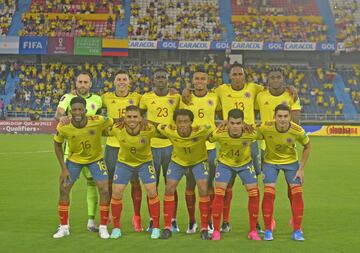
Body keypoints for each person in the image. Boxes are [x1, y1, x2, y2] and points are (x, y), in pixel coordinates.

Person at [53, 97, 113, 239]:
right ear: (70, 111)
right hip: (74, 160)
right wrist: (63, 168)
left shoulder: (98, 120)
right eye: (74, 110)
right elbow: (57, 144)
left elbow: (113, 122)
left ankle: (103, 227)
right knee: (63, 188)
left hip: (96, 159)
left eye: (80, 109)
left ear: (85, 110)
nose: (77, 112)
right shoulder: (63, 126)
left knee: (104, 190)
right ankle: (64, 227)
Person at [55, 71, 102, 232]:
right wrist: (62, 118)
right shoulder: (68, 97)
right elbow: (58, 113)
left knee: (92, 184)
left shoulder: (98, 100)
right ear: (76, 83)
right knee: (65, 186)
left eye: (85, 82)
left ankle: (91, 222)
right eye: (80, 82)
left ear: (91, 84)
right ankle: (64, 224)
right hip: (71, 152)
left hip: (92, 152)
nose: (82, 85)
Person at [255, 68, 301, 230]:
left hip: (288, 147)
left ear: (283, 79)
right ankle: (269, 219)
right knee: (268, 188)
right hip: (265, 148)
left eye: (278, 77)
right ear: (267, 80)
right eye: (272, 77)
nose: (275, 80)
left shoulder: (291, 95)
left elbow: (296, 121)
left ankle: (295, 219)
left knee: (293, 188)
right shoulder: (260, 95)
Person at [258, 104, 311, 241]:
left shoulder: (297, 130)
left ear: (290, 117)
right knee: (269, 193)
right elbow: (251, 135)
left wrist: (301, 168)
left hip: (291, 163)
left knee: (297, 194)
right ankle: (269, 228)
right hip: (270, 162)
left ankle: (297, 229)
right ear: (274, 117)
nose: (282, 119)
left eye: (285, 116)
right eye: (279, 116)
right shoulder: (265, 127)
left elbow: (307, 146)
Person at [157, 109, 212, 240]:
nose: (182, 125)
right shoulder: (169, 130)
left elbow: (216, 131)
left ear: (191, 122)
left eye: (185, 122)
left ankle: (204, 228)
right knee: (169, 188)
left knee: (203, 189)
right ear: (175, 123)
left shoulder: (202, 130)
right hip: (178, 162)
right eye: (179, 122)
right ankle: (167, 228)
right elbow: (157, 126)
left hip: (198, 162)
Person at [108, 106, 161, 239]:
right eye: (129, 117)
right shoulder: (117, 129)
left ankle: (156, 227)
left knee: (152, 191)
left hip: (145, 163)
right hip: (124, 163)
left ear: (140, 119)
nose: (132, 120)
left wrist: (150, 122)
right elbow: (100, 128)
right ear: (124, 118)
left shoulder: (149, 130)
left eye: (135, 117)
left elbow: (164, 130)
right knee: (117, 192)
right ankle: (116, 228)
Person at [179, 69, 221, 234]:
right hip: (189, 149)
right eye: (197, 78)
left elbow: (226, 114)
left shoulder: (215, 97)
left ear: (208, 81)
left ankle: (209, 220)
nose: (200, 81)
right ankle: (192, 221)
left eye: (203, 79)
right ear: (192, 81)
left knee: (208, 186)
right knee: (190, 185)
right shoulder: (185, 98)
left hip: (209, 148)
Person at [139, 68, 181, 232]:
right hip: (151, 147)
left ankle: (173, 219)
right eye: (158, 77)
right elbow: (140, 117)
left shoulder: (176, 97)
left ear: (168, 80)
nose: (161, 79)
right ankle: (152, 219)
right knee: (152, 186)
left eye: (164, 77)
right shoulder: (146, 97)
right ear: (153, 80)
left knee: (171, 185)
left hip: (171, 146)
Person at [101, 70, 143, 231]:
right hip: (113, 145)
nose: (121, 82)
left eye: (124, 79)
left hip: (132, 146)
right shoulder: (106, 98)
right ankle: (111, 214)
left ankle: (136, 216)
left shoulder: (138, 98)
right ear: (114, 82)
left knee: (134, 181)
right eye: (118, 79)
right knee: (110, 181)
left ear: (129, 82)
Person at [210, 109, 261, 241]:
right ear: (227, 123)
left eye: (238, 123)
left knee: (254, 193)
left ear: (243, 123)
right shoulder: (219, 134)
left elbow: (266, 134)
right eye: (232, 123)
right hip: (225, 164)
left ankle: (253, 231)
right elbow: (208, 138)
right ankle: (216, 231)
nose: (235, 126)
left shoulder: (251, 133)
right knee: (219, 193)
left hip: (245, 164)